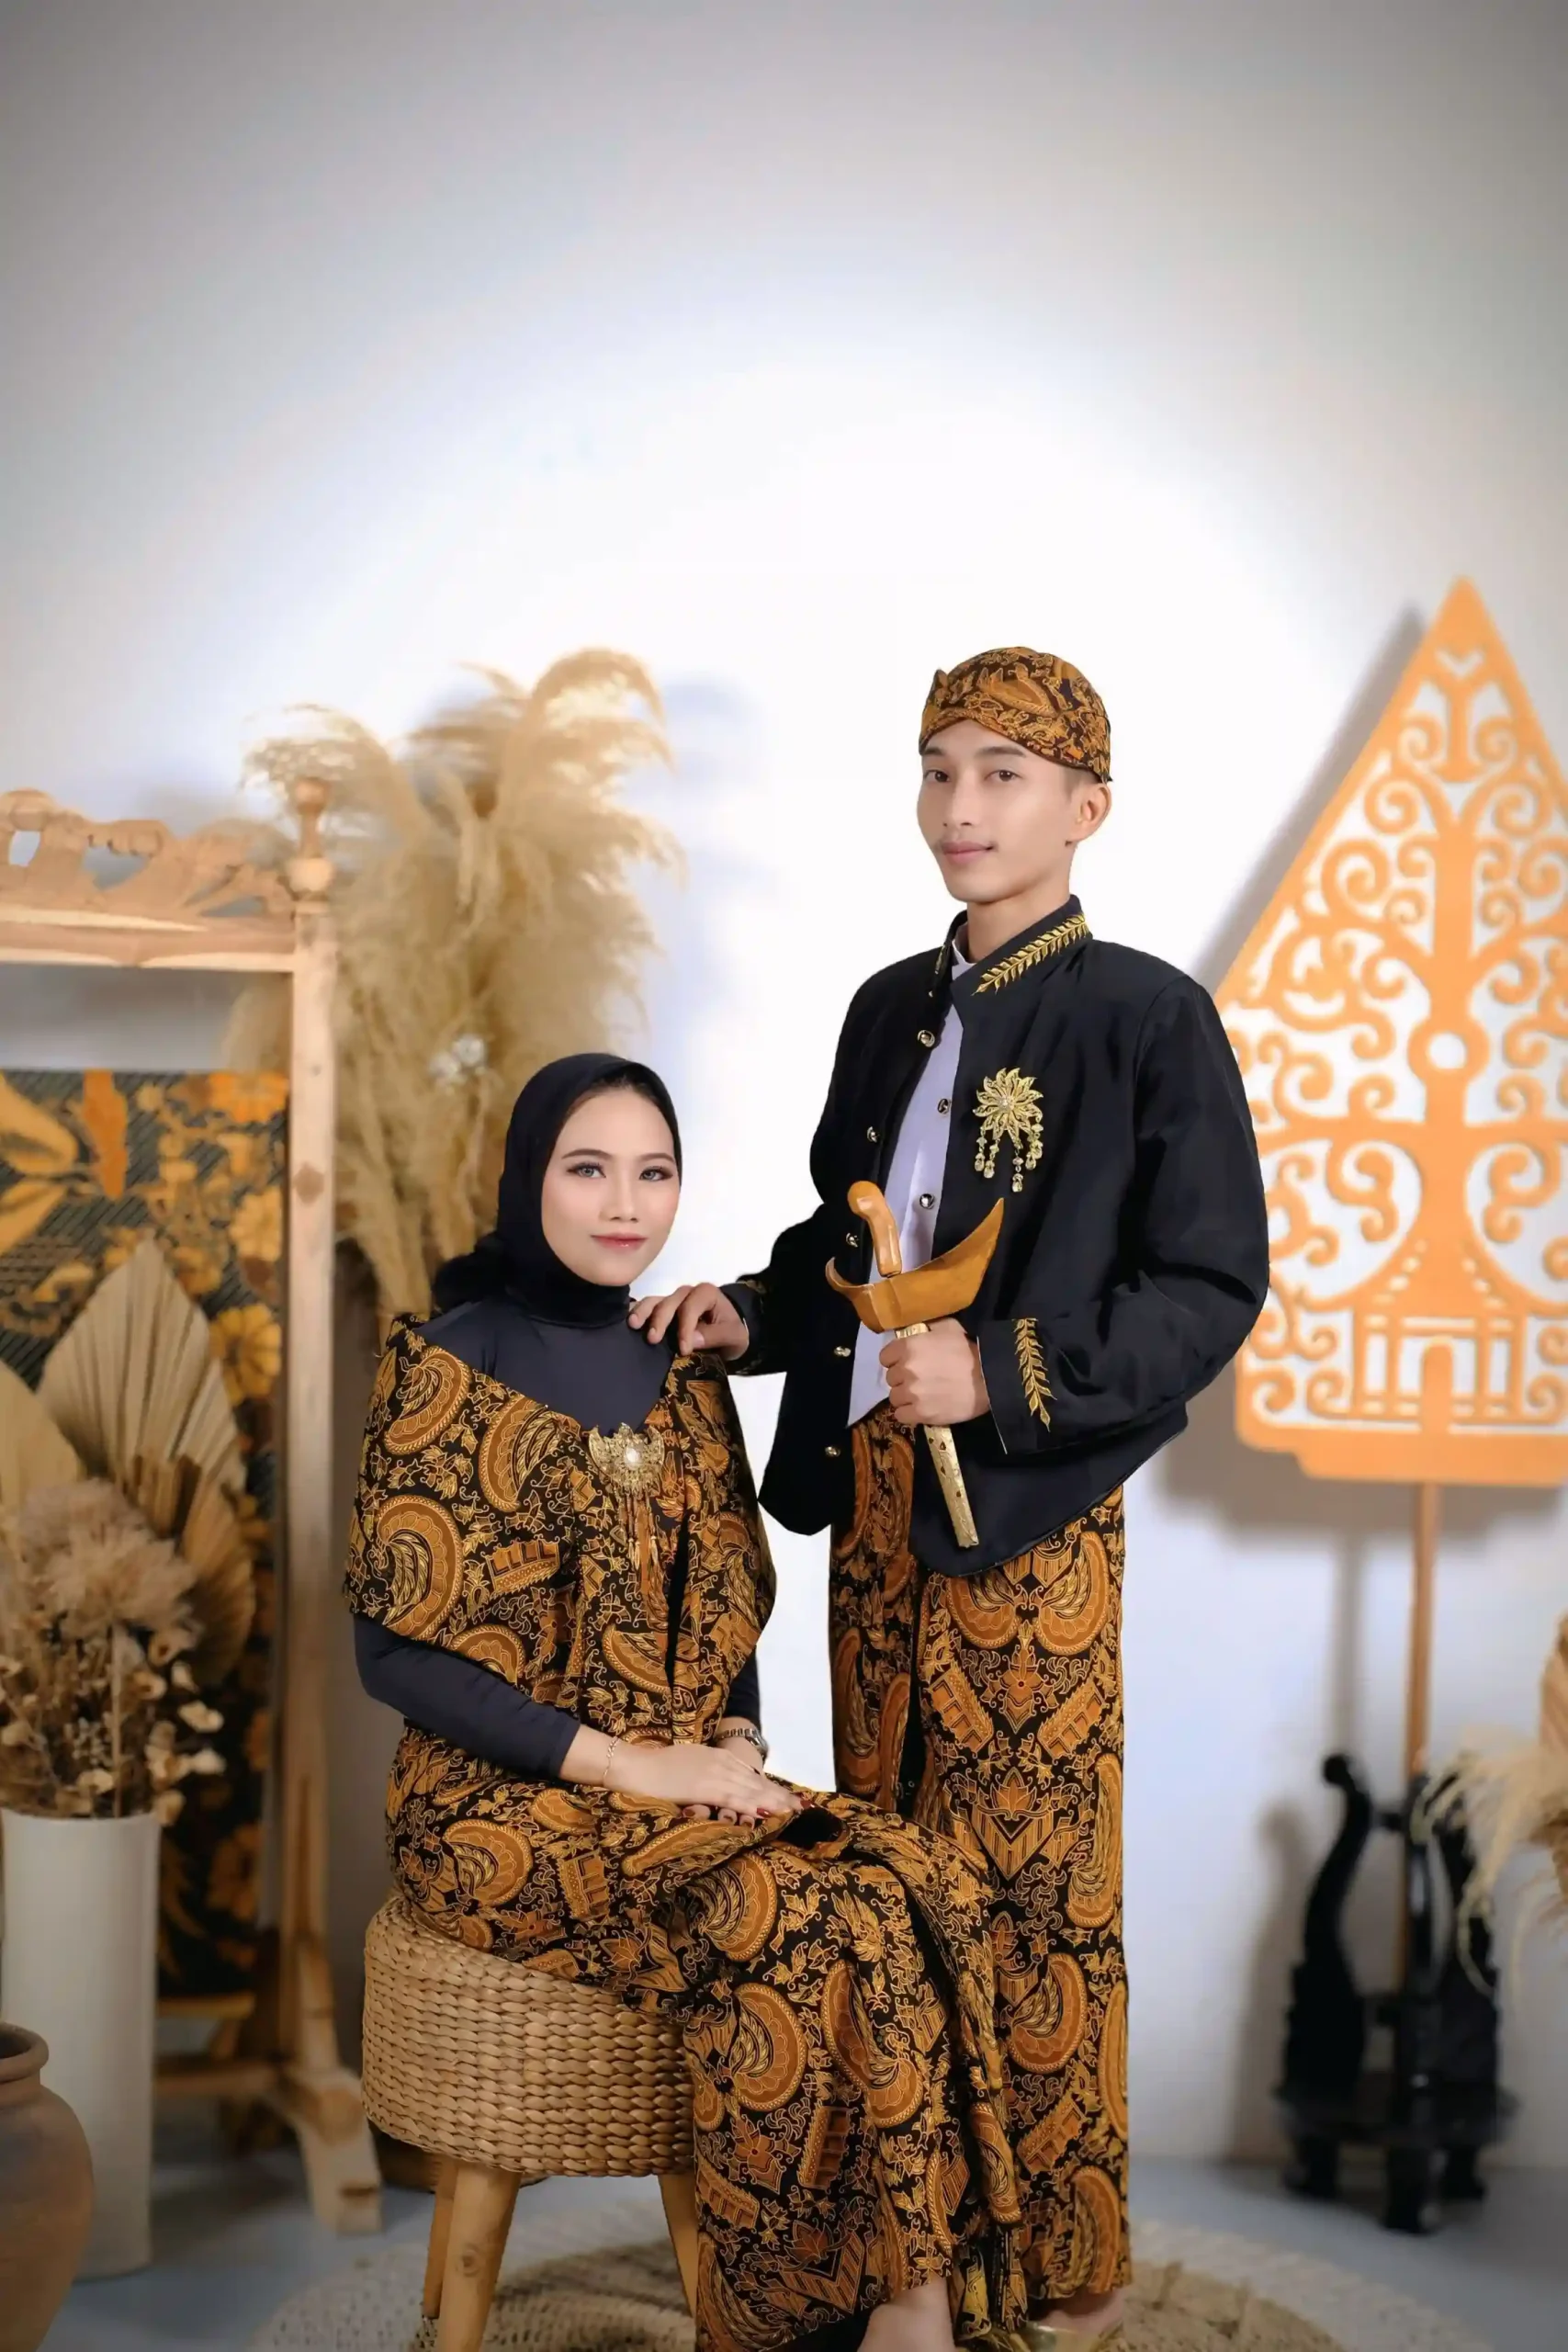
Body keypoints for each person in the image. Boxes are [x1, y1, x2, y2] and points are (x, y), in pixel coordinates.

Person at [633, 651, 1270, 2346]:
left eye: (1002, 774)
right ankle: (908, 2267)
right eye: (936, 770)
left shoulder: (1147, 1016)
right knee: (891, 1884)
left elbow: (1208, 1287)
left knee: (1032, 1901)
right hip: (873, 1519)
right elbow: (846, 1247)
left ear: (1085, 807)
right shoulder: (884, 1008)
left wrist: (1000, 1375)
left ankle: (1057, 2270)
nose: (959, 807)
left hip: (1028, 1530)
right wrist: (750, 1316)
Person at [347, 1053, 1028, 2352]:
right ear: (528, 1178)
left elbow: (724, 1609)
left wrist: (734, 1746)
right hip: (496, 1806)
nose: (625, 1204)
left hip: (675, 1779)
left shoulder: (683, 1362)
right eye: (588, 1169)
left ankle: (912, 2311)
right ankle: (788, 2324)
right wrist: (632, 1766)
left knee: (911, 1887)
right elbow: (397, 1656)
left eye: (652, 1173)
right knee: (793, 1912)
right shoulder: (445, 1364)